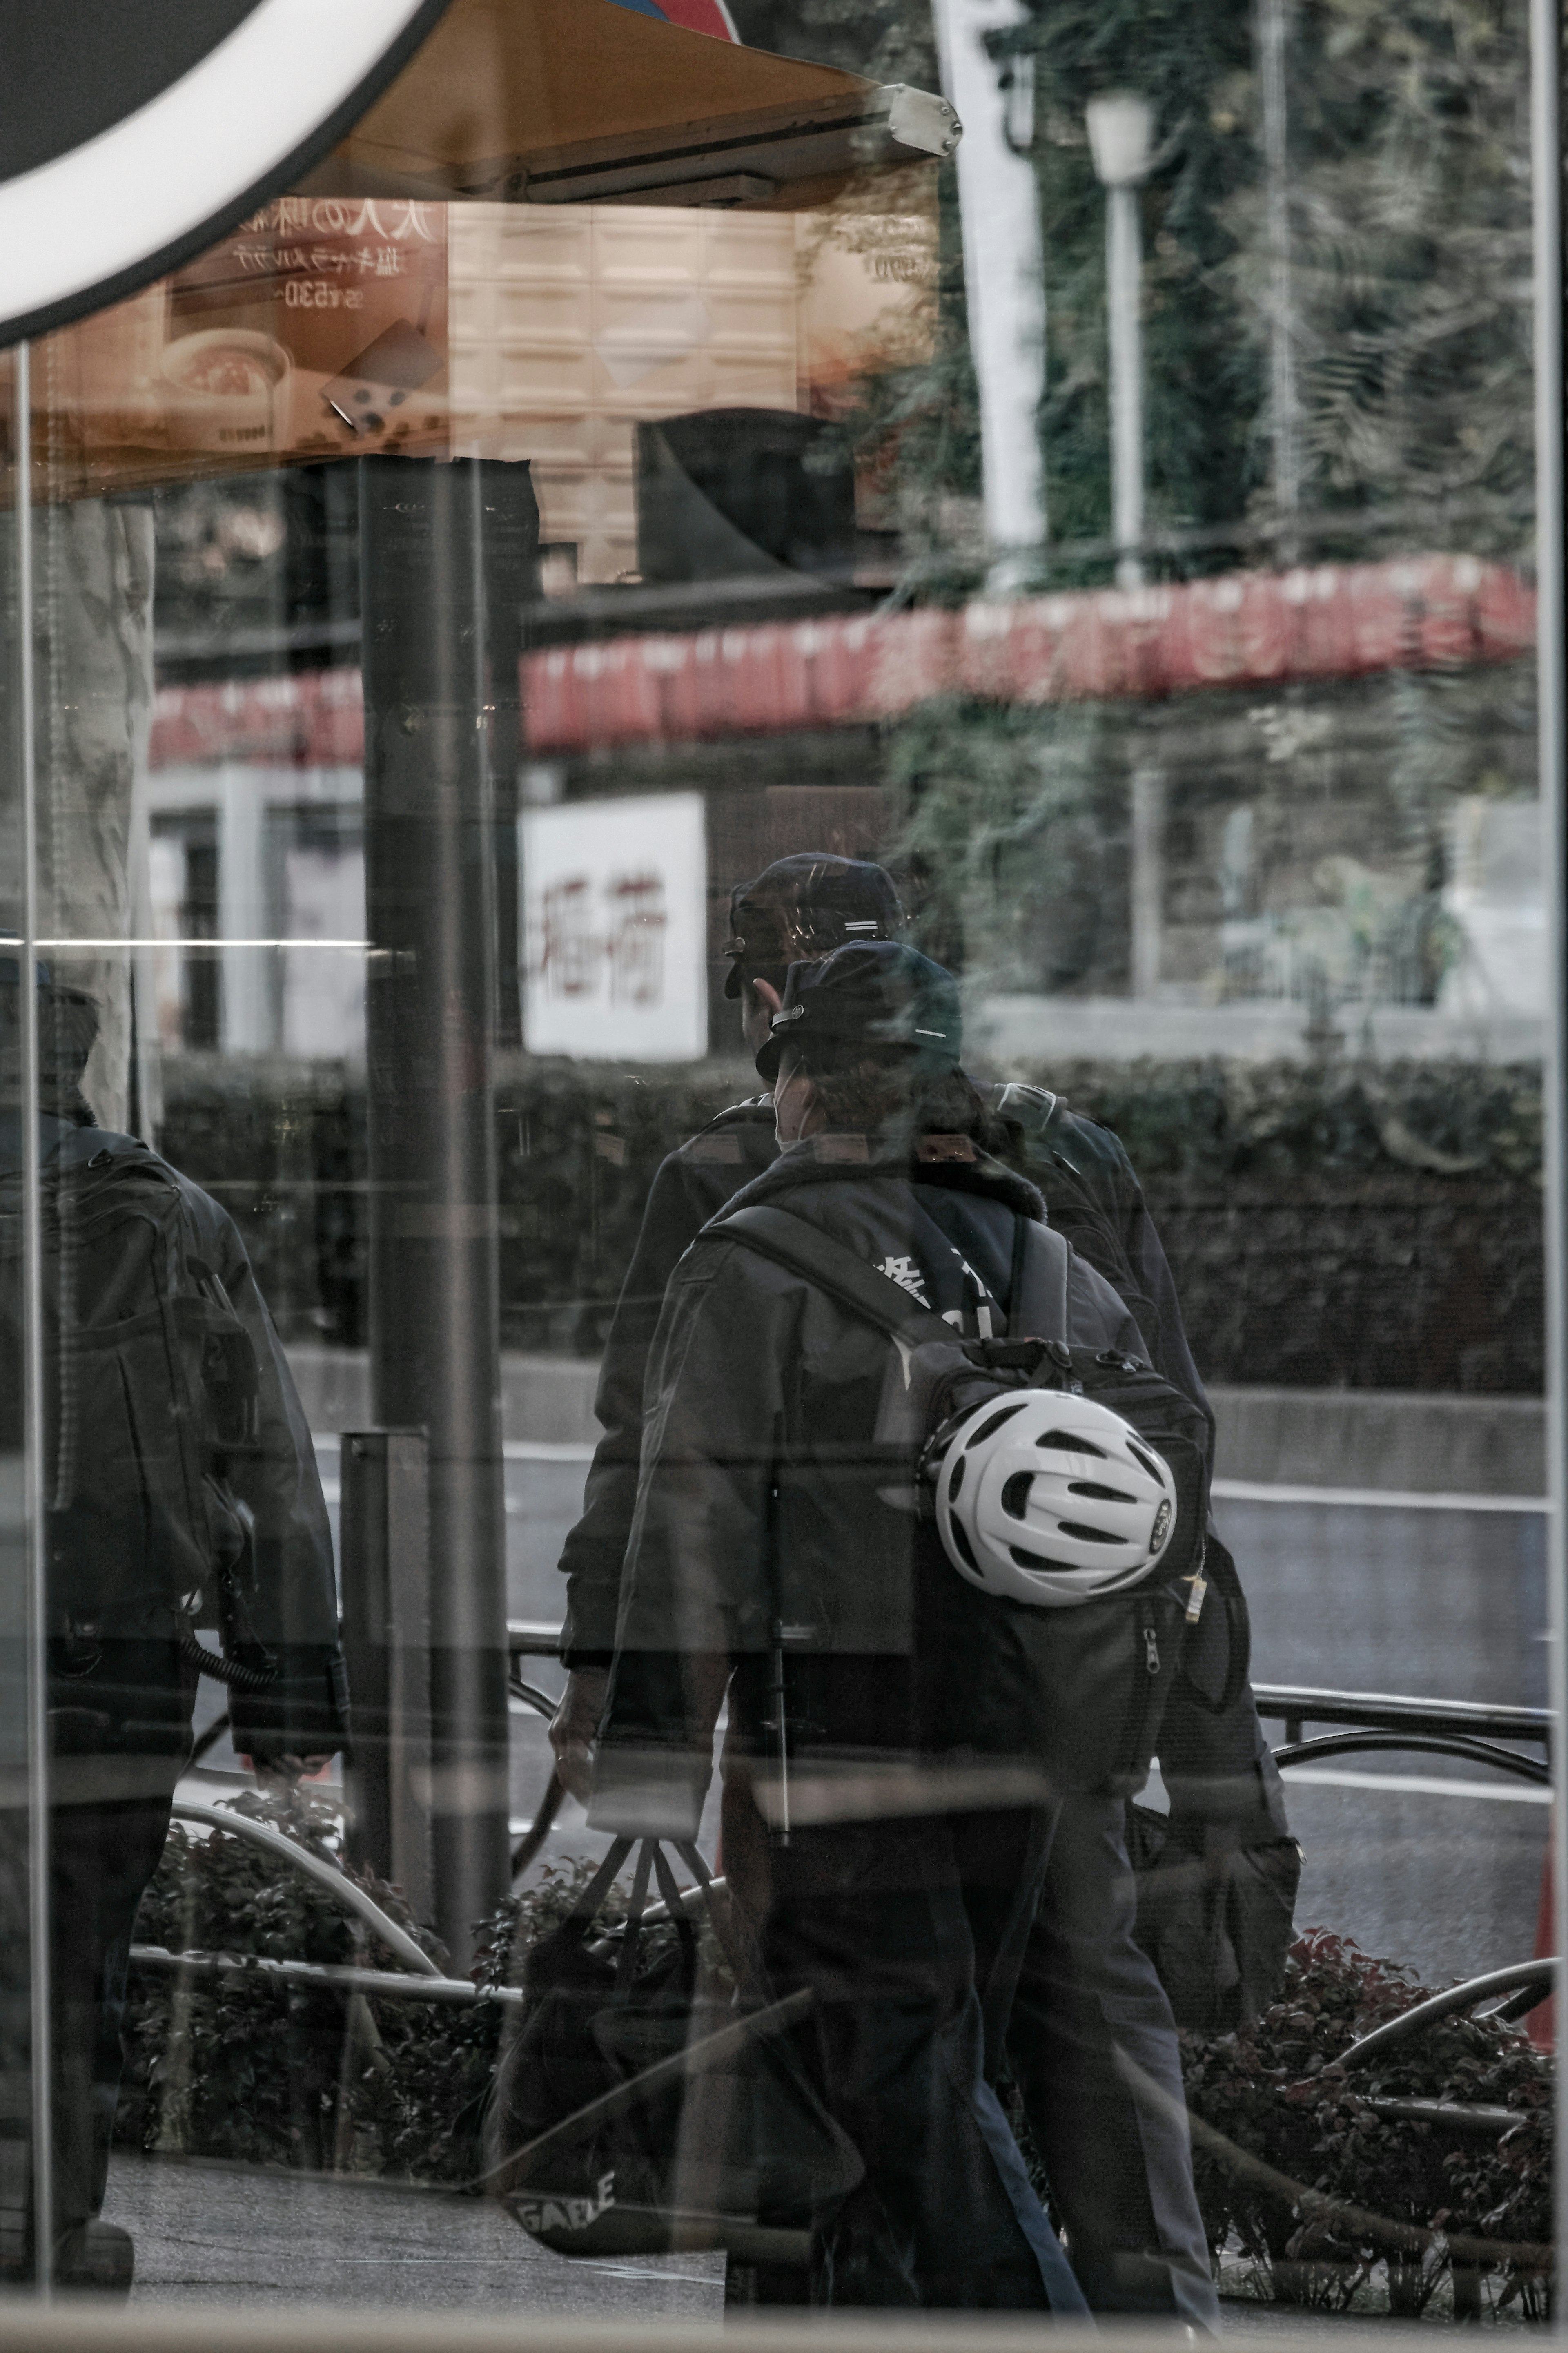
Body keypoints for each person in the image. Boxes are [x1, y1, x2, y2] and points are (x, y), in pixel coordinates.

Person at [550, 852, 1275, 2316]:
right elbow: (1172, 1471)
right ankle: (1163, 2323)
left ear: (790, 1050)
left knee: (878, 2052)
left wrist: (633, 1738)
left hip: (850, 1717)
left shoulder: (733, 1212)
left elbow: (672, 1492)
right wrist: (1185, 1733)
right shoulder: (1064, 1200)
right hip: (1065, 1704)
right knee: (1086, 2029)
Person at [0, 956, 347, 2291]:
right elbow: (268, 1471)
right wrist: (287, 1703)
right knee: (79, 1948)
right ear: (76, 1065)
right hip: (113, 1649)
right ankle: (50, 2222)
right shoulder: (174, 1216)